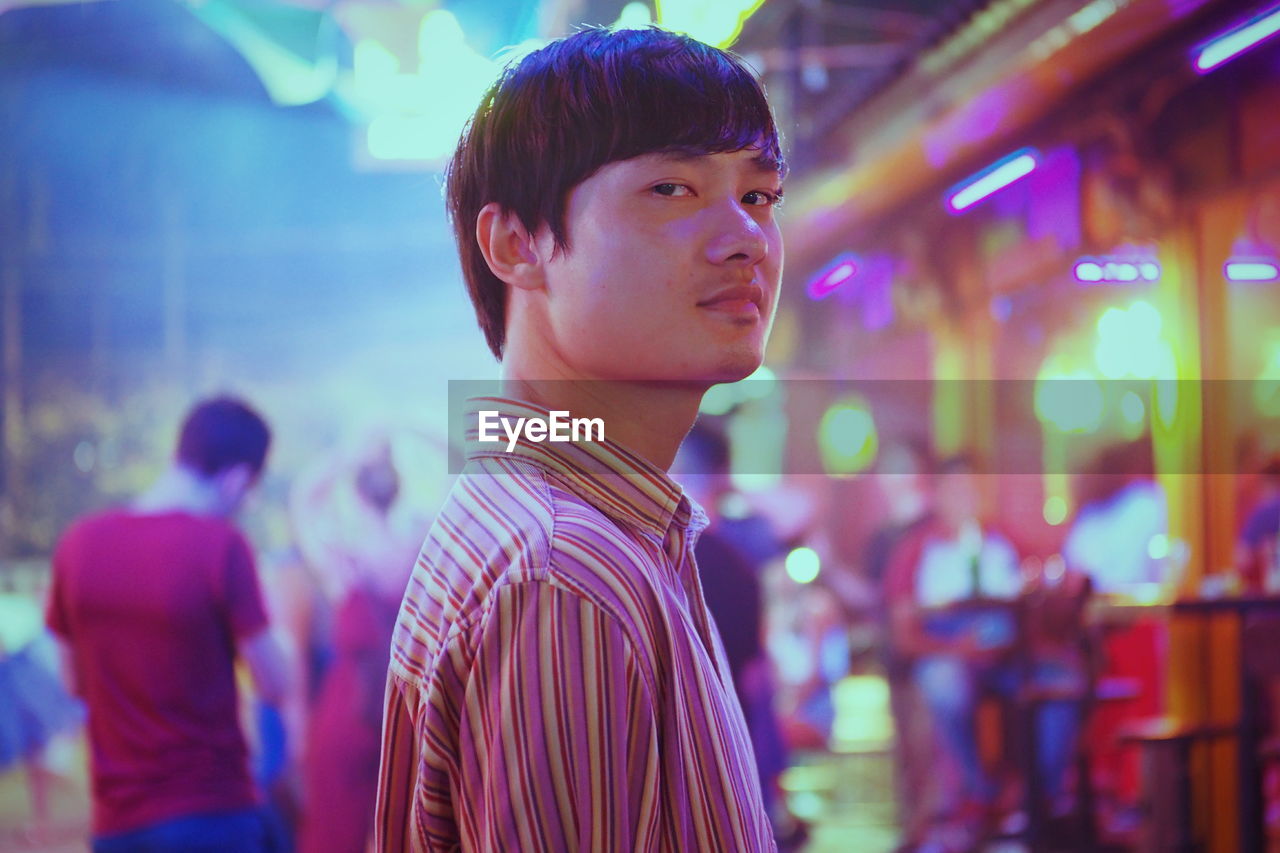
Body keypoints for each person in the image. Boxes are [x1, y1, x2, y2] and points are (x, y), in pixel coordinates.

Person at [376, 26, 785, 851]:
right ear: (516, 244)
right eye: (672, 189)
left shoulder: (568, 520)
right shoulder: (566, 571)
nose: (745, 236)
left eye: (759, 195)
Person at [47, 396, 289, 853]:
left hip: (118, 825)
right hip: (213, 816)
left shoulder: (77, 545)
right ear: (237, 478)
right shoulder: (221, 545)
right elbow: (274, 683)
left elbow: (73, 683)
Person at [885, 455, 1080, 847]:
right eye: (957, 490)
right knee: (944, 684)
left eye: (973, 490)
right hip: (947, 652)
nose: (966, 499)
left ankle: (1039, 796)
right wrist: (959, 646)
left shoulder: (1003, 539)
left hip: (1007, 654)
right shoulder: (914, 551)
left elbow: (1038, 594)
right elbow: (904, 635)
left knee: (1065, 680)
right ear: (937, 495)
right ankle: (979, 793)